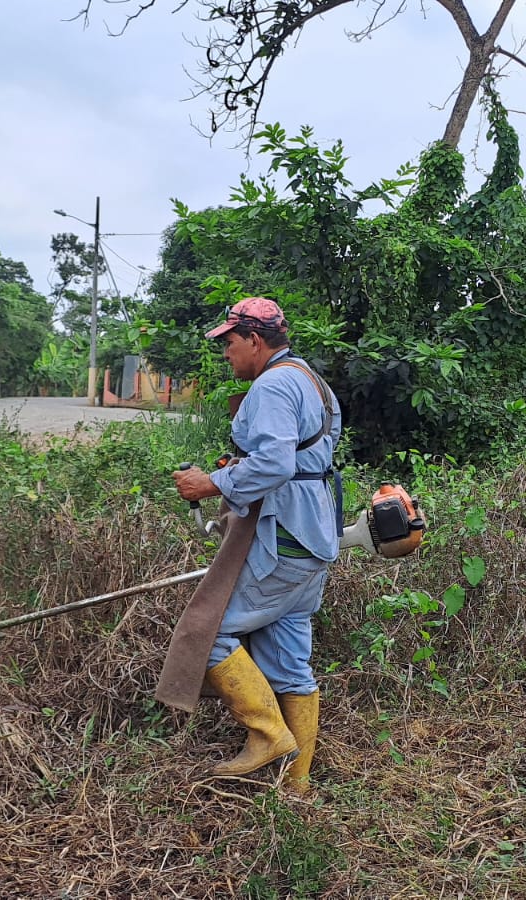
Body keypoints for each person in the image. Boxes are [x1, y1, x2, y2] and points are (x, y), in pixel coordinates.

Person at [171, 297, 341, 793]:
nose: (226, 352)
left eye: (229, 342)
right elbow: (302, 456)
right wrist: (237, 471)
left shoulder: (272, 385)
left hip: (283, 538)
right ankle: (297, 786)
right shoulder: (311, 380)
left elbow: (276, 464)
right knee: (290, 662)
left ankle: (269, 737)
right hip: (313, 536)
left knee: (206, 634)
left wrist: (212, 483)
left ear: (254, 339)